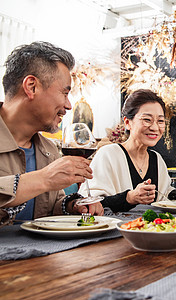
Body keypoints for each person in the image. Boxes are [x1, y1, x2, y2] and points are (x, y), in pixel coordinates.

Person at [0, 41, 103, 225]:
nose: (69, 105)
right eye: (64, 93)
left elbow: (47, 207)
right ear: (31, 87)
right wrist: (44, 179)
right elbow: (44, 182)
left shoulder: (48, 150)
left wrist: (72, 205)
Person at [78, 89, 176, 212]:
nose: (155, 127)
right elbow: (88, 203)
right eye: (147, 119)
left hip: (151, 229)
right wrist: (129, 198)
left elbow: (164, 193)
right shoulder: (108, 154)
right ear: (127, 122)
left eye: (160, 121)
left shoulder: (156, 158)